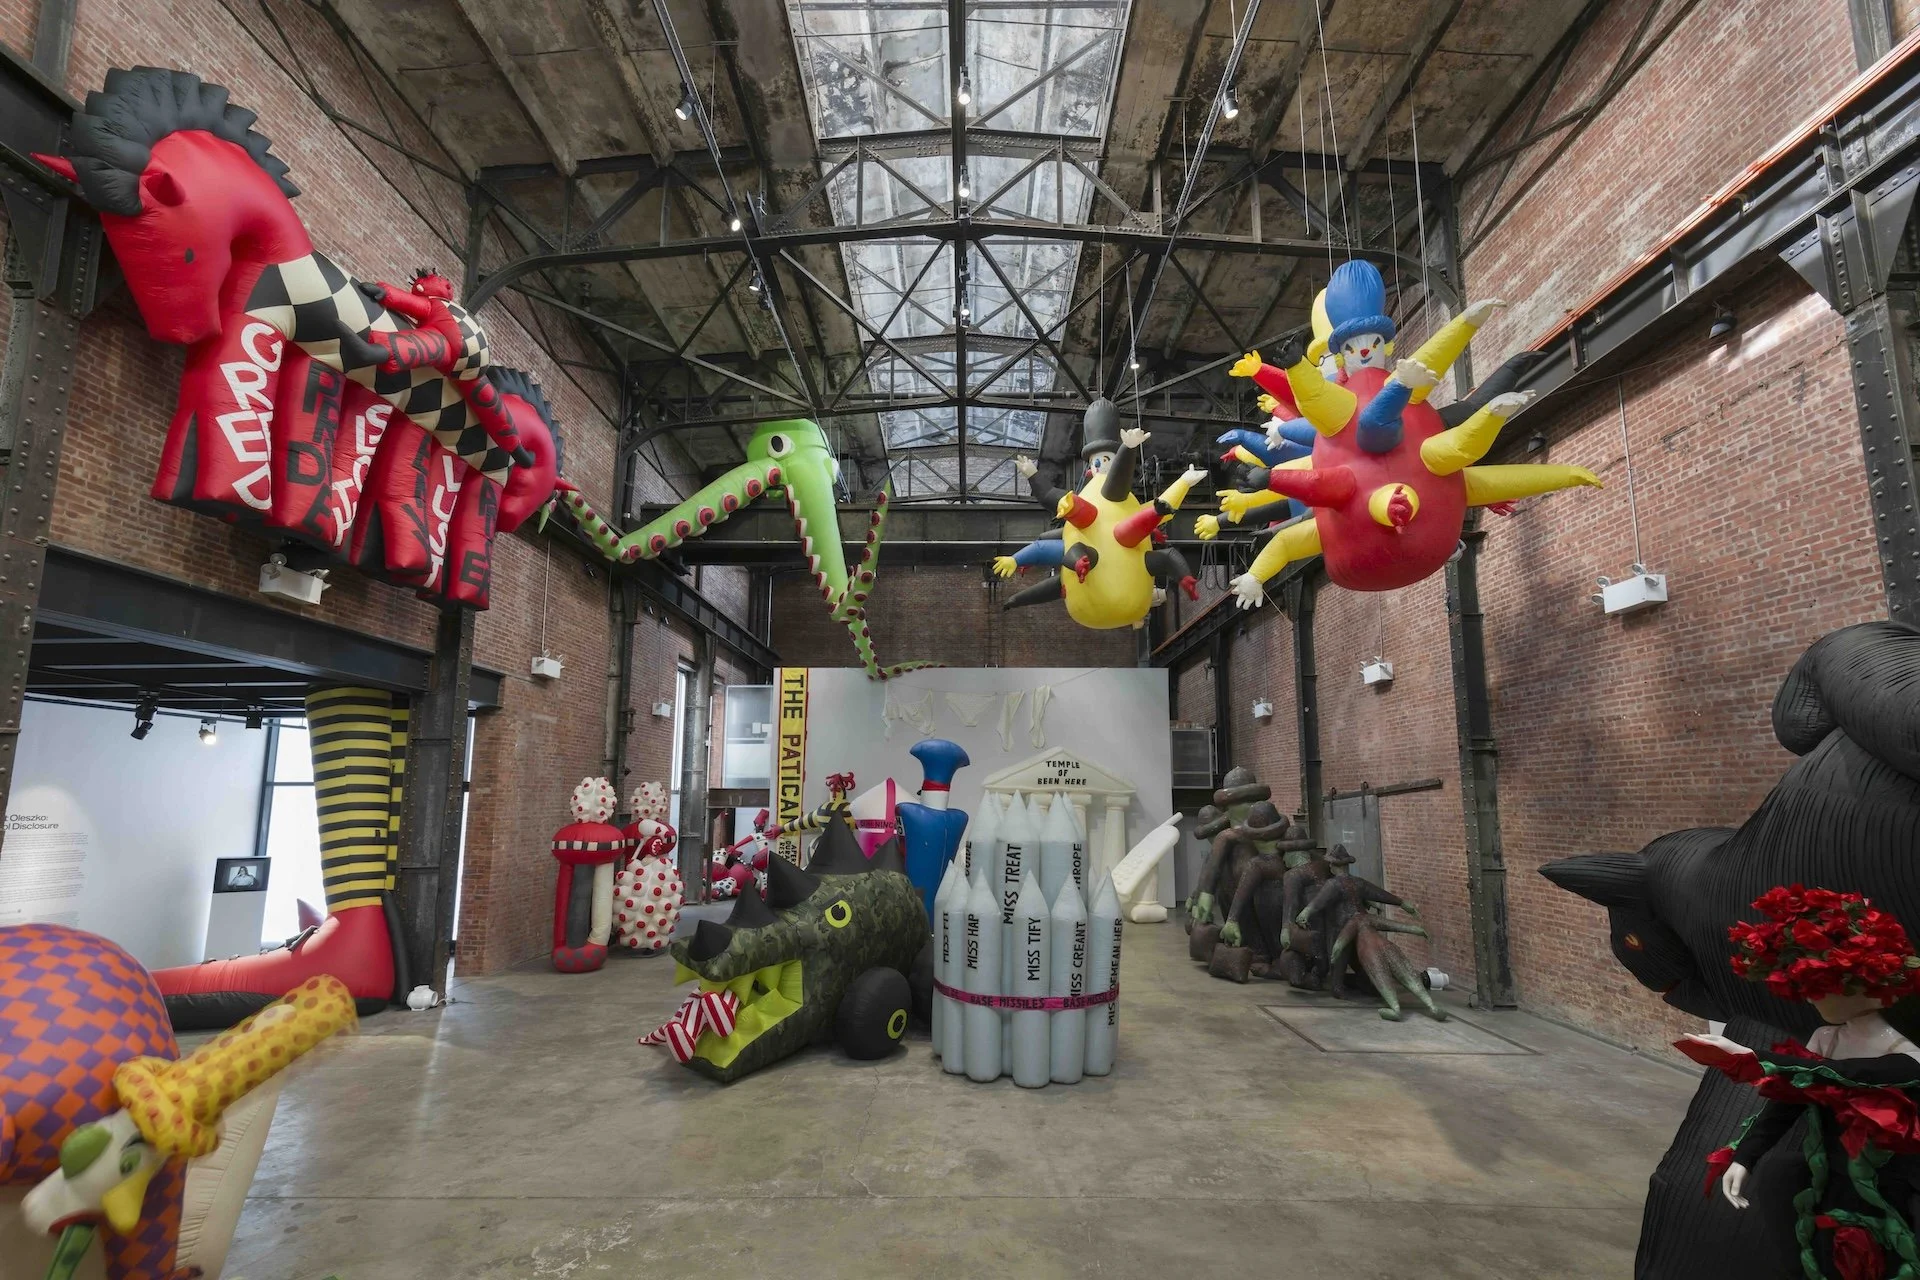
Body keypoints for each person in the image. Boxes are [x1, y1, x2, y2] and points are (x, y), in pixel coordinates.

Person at [1679, 886, 1920, 1275]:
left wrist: (1756, 1058)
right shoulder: (1827, 1039)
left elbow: (1847, 1077)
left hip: (1890, 1192)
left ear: (1867, 986)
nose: (1810, 999)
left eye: (1820, 986)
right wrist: (1745, 1156)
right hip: (1828, 1184)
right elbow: (1790, 1098)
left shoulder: (1908, 1054)